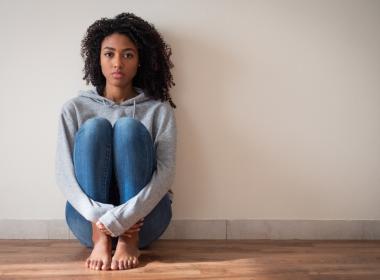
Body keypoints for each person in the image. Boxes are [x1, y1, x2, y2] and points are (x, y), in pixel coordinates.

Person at [54, 12, 177, 271]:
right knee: (95, 128)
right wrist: (100, 218)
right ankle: (101, 240)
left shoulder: (158, 109)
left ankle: (128, 241)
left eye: (128, 54)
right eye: (109, 54)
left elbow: (166, 174)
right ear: (97, 59)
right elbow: (63, 173)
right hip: (89, 221)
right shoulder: (74, 108)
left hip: (145, 221)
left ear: (140, 60)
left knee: (128, 128)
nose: (117, 63)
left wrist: (126, 218)